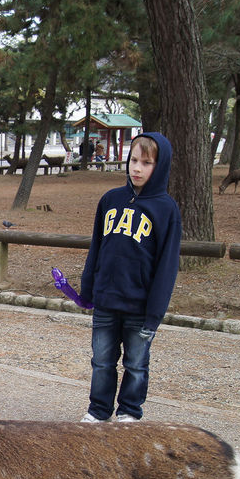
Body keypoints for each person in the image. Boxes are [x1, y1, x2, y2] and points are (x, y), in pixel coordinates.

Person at [77, 132, 181, 424]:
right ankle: (98, 410)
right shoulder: (110, 200)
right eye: (134, 160)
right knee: (101, 361)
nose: (137, 168)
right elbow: (96, 248)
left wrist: (155, 313)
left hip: (140, 306)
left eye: (146, 163)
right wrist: (88, 291)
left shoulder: (166, 209)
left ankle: (129, 412)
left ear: (159, 167)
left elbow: (167, 266)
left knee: (136, 364)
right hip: (107, 300)